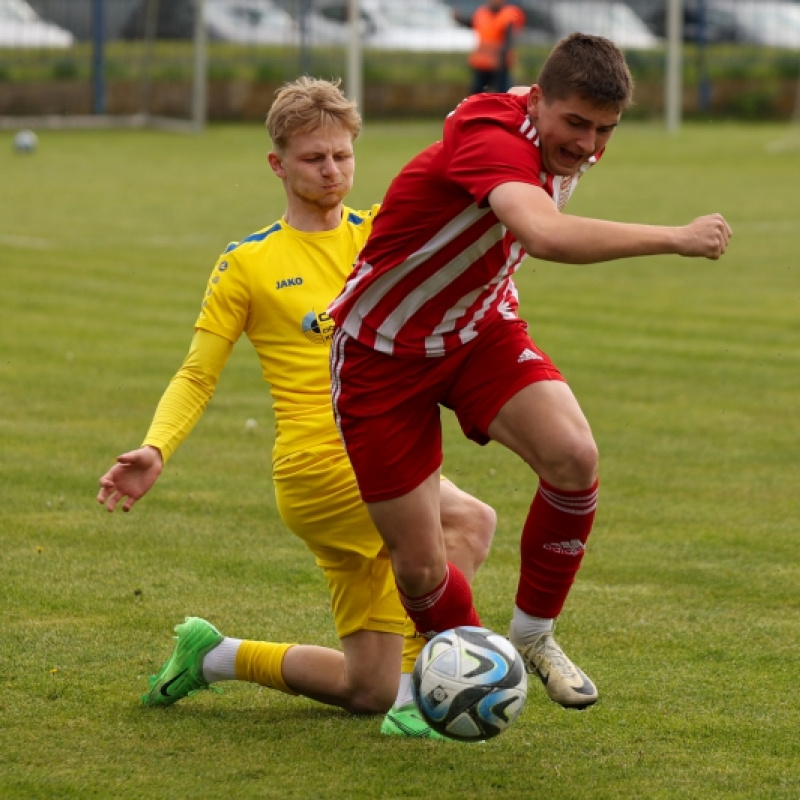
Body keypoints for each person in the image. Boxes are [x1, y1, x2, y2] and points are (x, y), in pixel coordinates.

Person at [328, 33, 732, 710]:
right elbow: (542, 234)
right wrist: (676, 237)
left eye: (606, 130)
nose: (589, 146)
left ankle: (535, 638)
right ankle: (470, 672)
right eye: (576, 124)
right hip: (382, 352)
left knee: (574, 455)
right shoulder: (489, 131)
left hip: (477, 332)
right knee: (420, 563)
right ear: (537, 99)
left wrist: (582, 139)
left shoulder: (569, 137)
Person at [96, 76, 495, 738]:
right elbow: (198, 372)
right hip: (322, 467)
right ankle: (420, 694)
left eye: (343, 155)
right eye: (314, 158)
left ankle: (216, 655)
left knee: (362, 686)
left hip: (389, 453)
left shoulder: (382, 232)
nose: (332, 170)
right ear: (277, 164)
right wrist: (156, 446)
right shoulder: (249, 263)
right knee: (471, 522)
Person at [467, 0, 525, 94]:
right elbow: (470, 23)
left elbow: (508, 41)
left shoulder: (509, 15)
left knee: (504, 93)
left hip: (499, 64)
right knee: (476, 93)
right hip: (481, 62)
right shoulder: (481, 13)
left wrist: (502, 60)